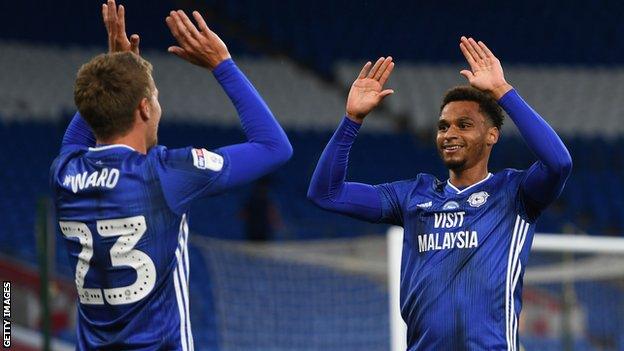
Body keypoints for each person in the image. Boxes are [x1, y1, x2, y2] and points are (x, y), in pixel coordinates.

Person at [50, 1, 292, 349]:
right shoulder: (164, 174)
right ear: (145, 108)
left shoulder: (64, 172)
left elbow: (89, 120)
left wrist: (116, 72)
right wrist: (222, 64)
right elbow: (274, 147)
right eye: (156, 98)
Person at [307, 37, 572, 350]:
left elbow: (558, 163)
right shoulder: (411, 196)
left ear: (491, 135)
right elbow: (326, 193)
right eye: (443, 126)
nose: (450, 134)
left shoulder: (514, 194)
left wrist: (502, 92)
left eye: (464, 125)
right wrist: (352, 120)